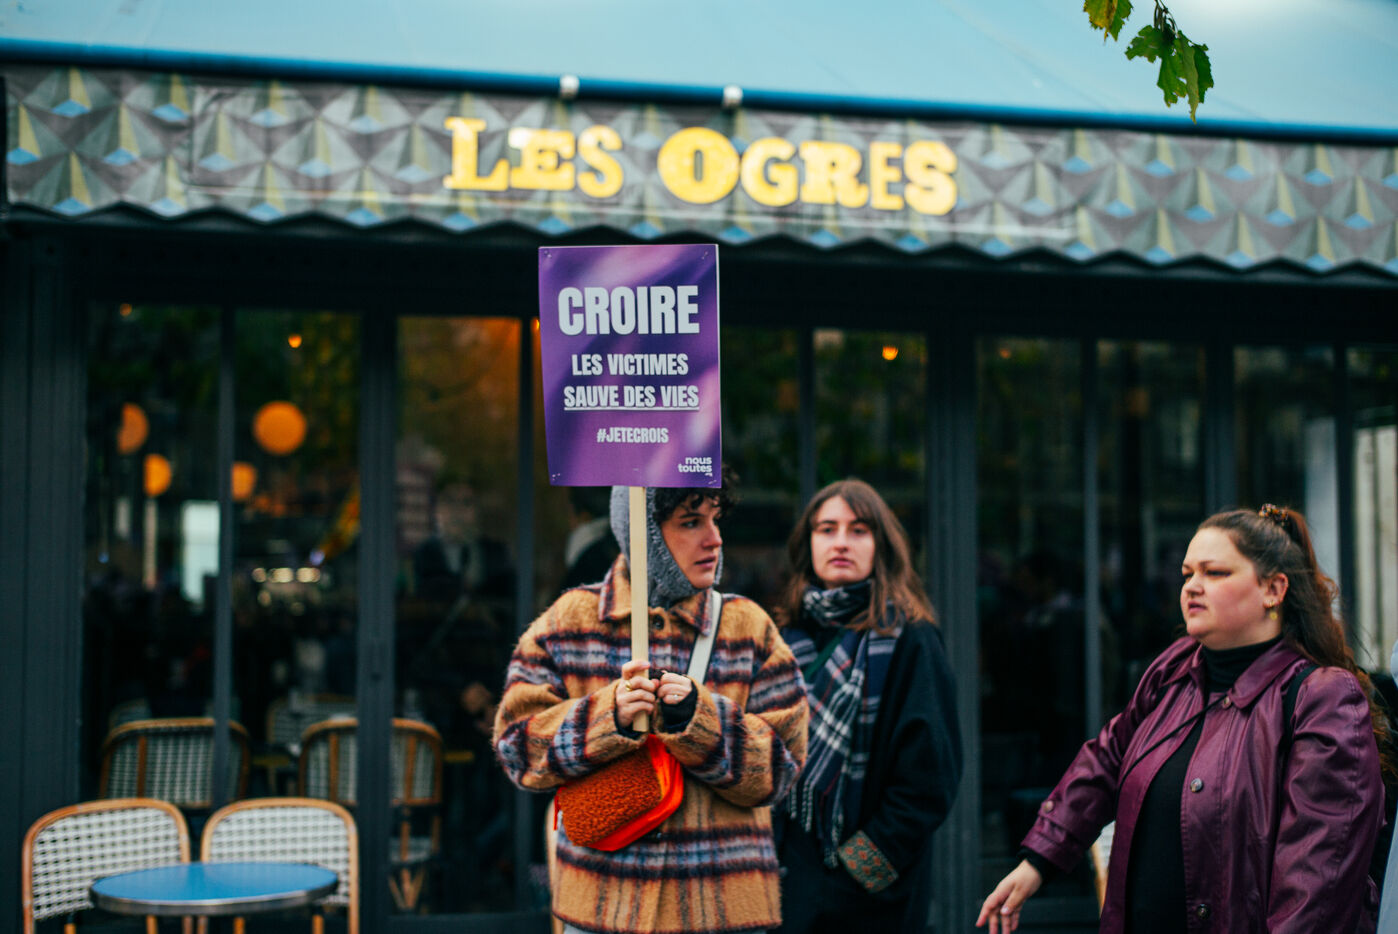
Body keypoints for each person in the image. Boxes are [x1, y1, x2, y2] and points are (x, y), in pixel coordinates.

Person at [977, 504, 1388, 933]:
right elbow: (1105, 761)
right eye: (1187, 574)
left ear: (1273, 589)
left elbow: (1316, 888)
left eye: (1215, 573)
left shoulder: (1321, 697)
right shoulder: (1173, 671)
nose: (1192, 587)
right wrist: (1038, 861)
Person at [493, 469, 809, 934]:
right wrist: (607, 718)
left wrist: (701, 721)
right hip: (604, 908)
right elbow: (517, 748)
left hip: (722, 911)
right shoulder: (570, 621)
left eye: (715, 519)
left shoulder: (749, 628)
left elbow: (783, 768)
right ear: (645, 534)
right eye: (691, 522)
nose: (714, 539)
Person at [771, 478, 963, 933]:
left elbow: (929, 779)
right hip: (784, 887)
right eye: (827, 529)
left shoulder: (911, 638)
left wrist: (853, 875)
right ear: (808, 543)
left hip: (870, 902)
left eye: (859, 530)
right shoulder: (781, 638)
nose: (841, 542)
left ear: (882, 545)